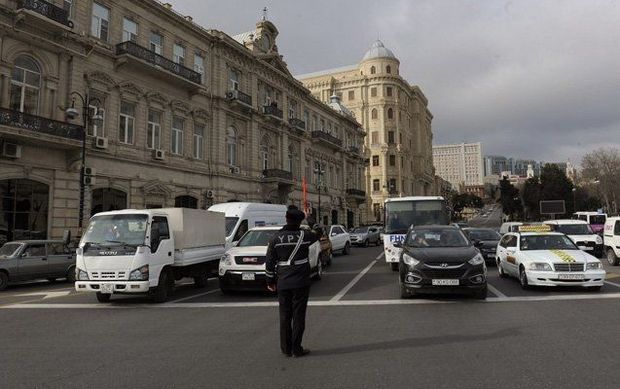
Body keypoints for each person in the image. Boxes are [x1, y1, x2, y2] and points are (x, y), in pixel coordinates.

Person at [265, 208, 318, 358]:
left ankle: (286, 348)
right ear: (300, 220)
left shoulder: (275, 238)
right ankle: (297, 348)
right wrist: (311, 219)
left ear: (286, 218)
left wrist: (270, 280)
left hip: (283, 282)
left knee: (284, 316)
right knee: (299, 316)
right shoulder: (305, 236)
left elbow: (269, 262)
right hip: (301, 282)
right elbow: (318, 232)